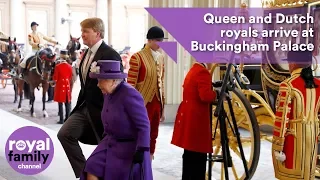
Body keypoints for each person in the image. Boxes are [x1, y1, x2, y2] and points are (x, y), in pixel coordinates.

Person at [57, 17, 123, 178]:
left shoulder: (110, 54)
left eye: (86, 31)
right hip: (84, 107)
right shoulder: (86, 53)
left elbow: (117, 85)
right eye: (82, 31)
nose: (82, 35)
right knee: (64, 134)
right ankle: (84, 174)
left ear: (98, 33)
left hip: (102, 110)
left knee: (106, 150)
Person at [80, 60, 152, 180]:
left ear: (113, 81)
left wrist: (142, 149)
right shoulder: (109, 93)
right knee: (91, 166)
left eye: (101, 80)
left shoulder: (129, 94)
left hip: (128, 147)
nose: (98, 85)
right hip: (110, 142)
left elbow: (144, 125)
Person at [272, 50, 320, 180]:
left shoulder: (287, 85)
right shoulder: (318, 84)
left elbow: (282, 120)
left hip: (293, 141)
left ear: (292, 63)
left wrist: (278, 146)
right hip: (312, 139)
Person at [171, 62, 218, 180]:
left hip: (188, 115)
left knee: (189, 154)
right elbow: (205, 96)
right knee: (199, 156)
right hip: (197, 118)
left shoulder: (193, 70)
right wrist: (216, 93)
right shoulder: (203, 72)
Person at [127, 26, 166, 160]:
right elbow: (130, 85)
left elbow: (161, 82)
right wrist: (130, 107)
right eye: (157, 40)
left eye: (161, 40)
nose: (160, 43)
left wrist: (163, 107)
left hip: (156, 102)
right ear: (149, 40)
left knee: (154, 132)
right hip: (141, 103)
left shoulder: (161, 58)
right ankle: (138, 158)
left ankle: (150, 156)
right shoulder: (137, 57)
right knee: (141, 132)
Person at [53, 50, 73, 124]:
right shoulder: (70, 67)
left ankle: (61, 119)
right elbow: (70, 77)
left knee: (60, 103)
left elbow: (55, 78)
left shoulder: (57, 67)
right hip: (67, 86)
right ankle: (67, 118)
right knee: (67, 103)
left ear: (61, 57)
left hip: (60, 86)